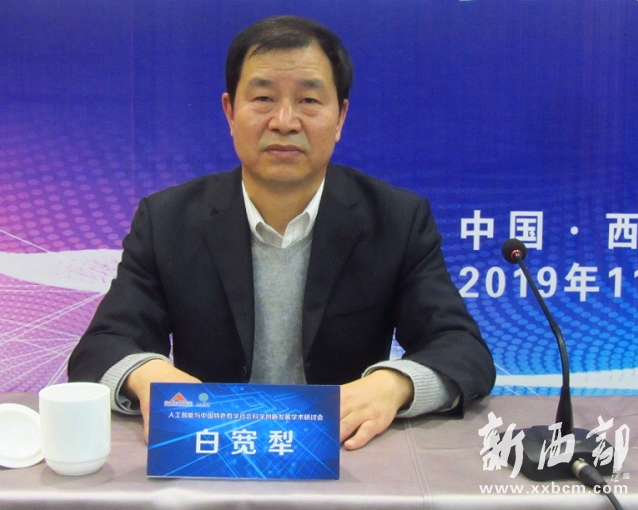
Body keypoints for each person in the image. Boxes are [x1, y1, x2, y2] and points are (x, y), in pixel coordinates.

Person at [68, 15, 495, 450]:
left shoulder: (396, 219)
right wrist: (149, 376)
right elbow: (103, 345)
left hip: (346, 454)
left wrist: (393, 385)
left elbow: (461, 348)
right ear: (230, 112)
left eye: (309, 100)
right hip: (210, 451)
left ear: (340, 116)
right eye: (263, 99)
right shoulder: (168, 219)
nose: (285, 121)